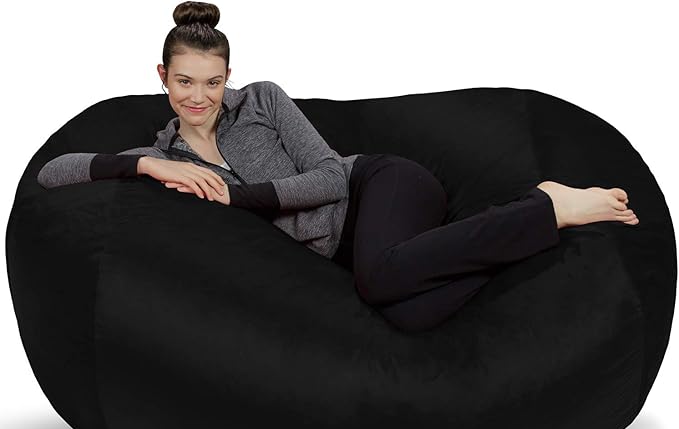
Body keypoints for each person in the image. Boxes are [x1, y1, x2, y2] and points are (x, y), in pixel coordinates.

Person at [37, 1, 639, 333]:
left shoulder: (263, 101)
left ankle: (544, 209)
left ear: (228, 77)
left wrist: (236, 197)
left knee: (379, 281)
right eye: (185, 81)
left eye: (213, 82)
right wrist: (146, 168)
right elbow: (53, 172)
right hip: (360, 252)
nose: (200, 97)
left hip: (380, 187)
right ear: (162, 77)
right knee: (410, 313)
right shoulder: (166, 156)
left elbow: (330, 176)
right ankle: (516, 229)